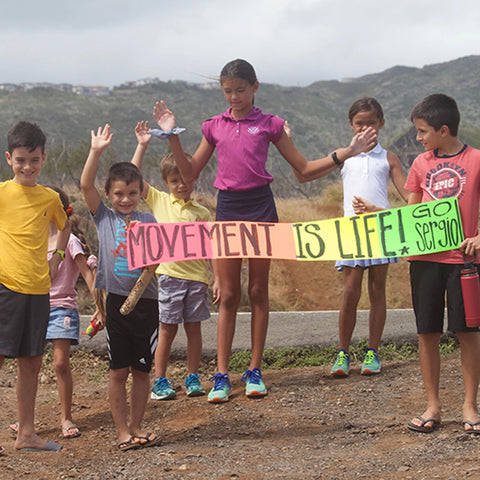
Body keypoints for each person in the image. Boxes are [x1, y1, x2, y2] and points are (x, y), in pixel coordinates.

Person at [150, 58, 377, 403]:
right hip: (227, 210)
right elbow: (191, 172)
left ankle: (254, 370)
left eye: (240, 90)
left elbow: (302, 169)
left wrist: (348, 151)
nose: (234, 97)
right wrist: (171, 137)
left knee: (257, 291)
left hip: (261, 208)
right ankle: (222, 375)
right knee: (227, 294)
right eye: (228, 91)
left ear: (255, 87)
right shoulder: (213, 125)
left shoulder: (270, 125)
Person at [399, 93, 480, 434]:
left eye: (423, 132)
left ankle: (470, 405)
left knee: (468, 332)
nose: (419, 139)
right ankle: (433, 404)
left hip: (464, 261)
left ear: (444, 130)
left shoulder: (477, 160)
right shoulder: (420, 165)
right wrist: (379, 217)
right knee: (427, 331)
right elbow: (411, 211)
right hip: (424, 261)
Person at [80, 124, 161, 450]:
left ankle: (137, 426)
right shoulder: (104, 218)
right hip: (115, 302)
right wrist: (95, 151)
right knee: (117, 370)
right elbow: (86, 184)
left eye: (131, 193)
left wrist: (141, 146)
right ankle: (121, 431)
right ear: (108, 195)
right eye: (118, 194)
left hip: (147, 302)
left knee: (142, 371)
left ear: (140, 192)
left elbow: (132, 177)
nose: (125, 199)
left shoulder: (150, 221)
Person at [131, 122, 218, 400]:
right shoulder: (159, 201)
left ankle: (193, 377)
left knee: (194, 329)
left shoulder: (202, 212)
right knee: (166, 330)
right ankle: (160, 380)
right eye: (175, 180)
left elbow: (210, 249)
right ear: (166, 183)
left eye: (187, 179)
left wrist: (215, 279)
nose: (182, 185)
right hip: (168, 278)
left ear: (195, 179)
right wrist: (142, 145)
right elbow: (132, 177)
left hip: (197, 279)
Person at [0, 121, 69, 452]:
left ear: (44, 158)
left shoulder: (50, 198)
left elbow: (66, 223)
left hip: (39, 290)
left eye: (35, 160)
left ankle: (25, 434)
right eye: (21, 160)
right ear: (9, 158)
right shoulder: (1, 194)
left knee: (32, 362)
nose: (28, 167)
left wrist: (56, 255)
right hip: (5, 288)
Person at [329, 98, 410, 377]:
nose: (365, 128)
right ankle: (343, 353)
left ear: (382, 124)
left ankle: (372, 352)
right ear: (351, 125)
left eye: (371, 123)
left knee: (377, 291)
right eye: (359, 123)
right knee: (350, 292)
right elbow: (308, 170)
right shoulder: (344, 156)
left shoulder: (389, 158)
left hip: (381, 230)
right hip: (351, 233)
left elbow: (408, 195)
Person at [45, 185, 105, 438]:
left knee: (60, 364)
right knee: (31, 366)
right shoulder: (32, 238)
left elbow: (87, 274)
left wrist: (100, 307)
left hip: (62, 309)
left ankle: (66, 417)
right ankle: (25, 421)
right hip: (35, 307)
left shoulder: (69, 241)